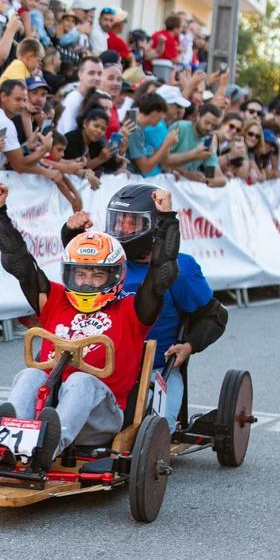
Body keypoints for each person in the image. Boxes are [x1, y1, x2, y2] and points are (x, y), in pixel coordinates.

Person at [0, 183, 179, 465]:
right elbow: (20, 264)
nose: (87, 281)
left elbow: (163, 272)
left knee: (80, 380)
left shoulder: (131, 311)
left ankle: (46, 449)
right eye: (81, 273)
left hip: (101, 417)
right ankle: (8, 441)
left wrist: (167, 219)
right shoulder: (54, 299)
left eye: (97, 275)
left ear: (114, 276)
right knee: (29, 375)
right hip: (50, 405)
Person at [61, 183, 227, 427]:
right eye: (118, 221)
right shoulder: (104, 262)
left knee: (159, 426)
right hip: (98, 364)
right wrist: (70, 234)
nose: (122, 229)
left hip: (155, 369)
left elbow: (215, 316)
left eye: (132, 223)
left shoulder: (181, 270)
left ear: (153, 226)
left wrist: (188, 346)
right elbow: (76, 281)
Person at [0, 79, 57, 181]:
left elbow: (8, 157)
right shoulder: (5, 123)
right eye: (17, 99)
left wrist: (27, 146)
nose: (22, 105)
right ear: (3, 97)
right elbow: (19, 166)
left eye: (24, 100)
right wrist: (44, 149)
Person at [127, 92, 177, 177]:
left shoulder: (134, 119)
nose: (162, 120)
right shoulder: (134, 129)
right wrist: (166, 144)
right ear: (154, 113)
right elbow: (145, 168)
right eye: (161, 116)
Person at [56, 55, 102, 135]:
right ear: (80, 74)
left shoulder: (97, 97)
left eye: (99, 74)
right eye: (91, 73)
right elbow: (69, 133)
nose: (97, 77)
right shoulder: (73, 99)